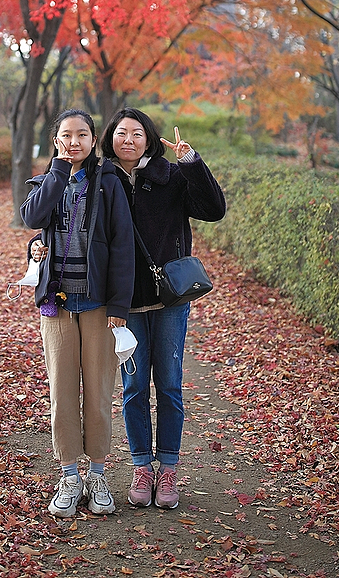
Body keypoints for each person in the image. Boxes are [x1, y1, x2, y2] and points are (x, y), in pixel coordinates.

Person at [100, 108, 226, 510]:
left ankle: (168, 468)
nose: (130, 140)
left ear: (150, 139)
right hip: (127, 304)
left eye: (138, 133)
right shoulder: (103, 180)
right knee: (135, 388)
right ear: (110, 139)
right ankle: (142, 466)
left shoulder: (169, 176)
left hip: (170, 299)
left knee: (169, 384)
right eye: (122, 134)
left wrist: (191, 162)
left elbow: (214, 209)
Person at [21, 109, 135, 518]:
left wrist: (120, 306)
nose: (74, 142)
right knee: (62, 393)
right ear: (55, 141)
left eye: (82, 135)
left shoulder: (109, 185)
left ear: (93, 140)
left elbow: (123, 247)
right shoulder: (45, 181)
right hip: (58, 307)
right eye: (66, 135)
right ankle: (69, 475)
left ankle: (98, 473)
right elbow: (32, 219)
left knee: (100, 393)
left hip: (100, 306)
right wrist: (56, 173)